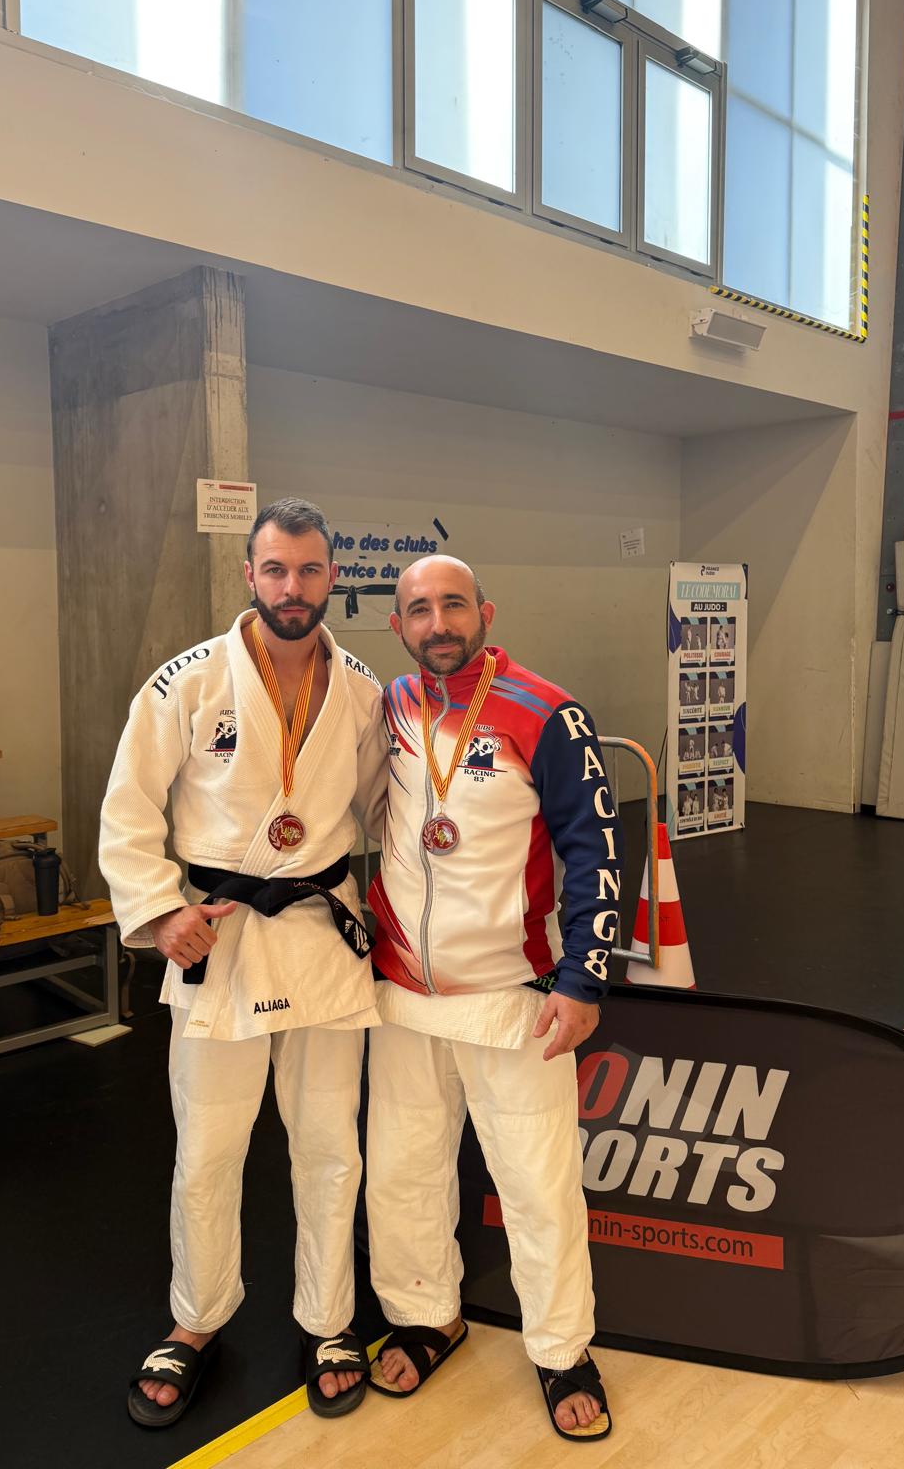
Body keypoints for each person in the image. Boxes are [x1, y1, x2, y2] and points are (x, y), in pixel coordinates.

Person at [99, 498, 387, 1429]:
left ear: (332, 577)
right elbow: (128, 807)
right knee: (207, 1152)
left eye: (309, 570)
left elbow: (387, 812)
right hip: (219, 936)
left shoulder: (363, 690)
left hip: (322, 933)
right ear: (251, 574)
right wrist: (159, 911)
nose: (292, 587)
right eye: (275, 569)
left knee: (330, 1148)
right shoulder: (186, 681)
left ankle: (329, 1319)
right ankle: (196, 1317)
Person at [363, 556, 618, 1443]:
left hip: (515, 994)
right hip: (401, 991)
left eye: (453, 605)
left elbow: (594, 847)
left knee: (538, 1185)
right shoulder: (389, 707)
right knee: (402, 1173)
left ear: (486, 612)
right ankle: (425, 1315)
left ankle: (562, 1350)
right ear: (398, 624)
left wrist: (583, 977)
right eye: (419, 609)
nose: (438, 623)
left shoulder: (548, 713)